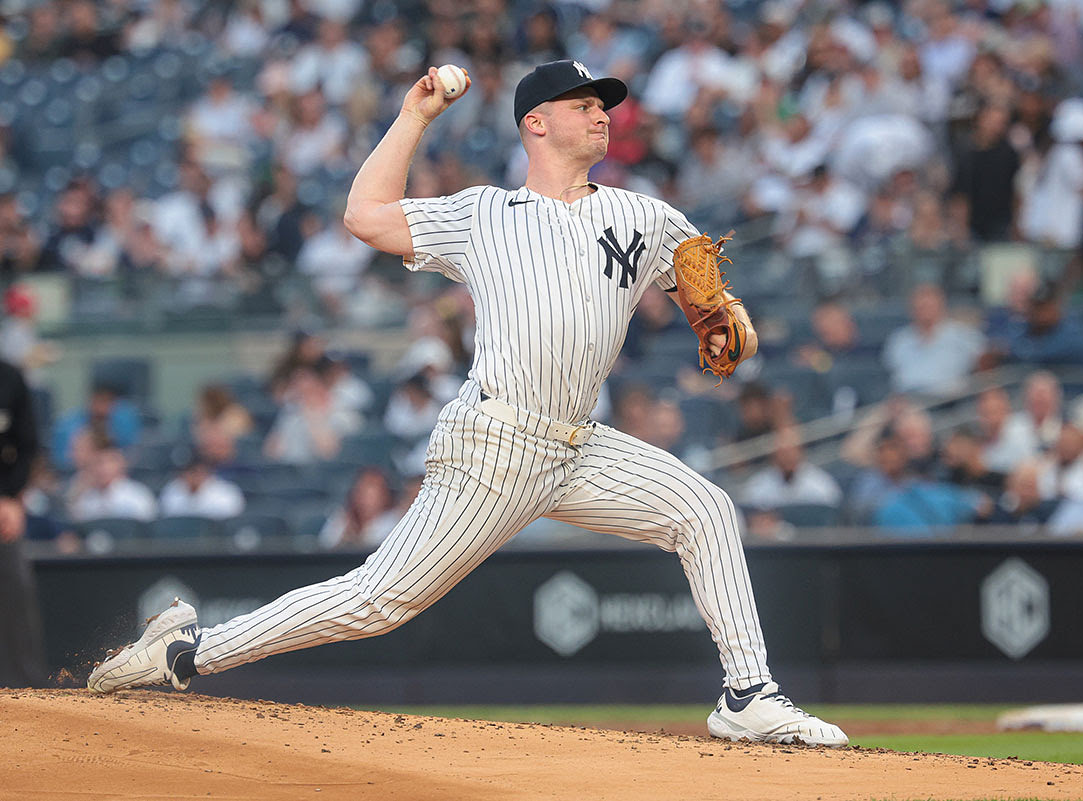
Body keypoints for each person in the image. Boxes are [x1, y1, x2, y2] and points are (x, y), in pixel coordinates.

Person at [87, 61, 848, 747]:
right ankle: (190, 649)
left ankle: (749, 694)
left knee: (705, 509)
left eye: (604, 104)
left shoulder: (644, 217)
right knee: (377, 601)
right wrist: (415, 116)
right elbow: (364, 215)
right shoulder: (485, 212)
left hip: (579, 446)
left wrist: (721, 315)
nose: (601, 113)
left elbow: (704, 293)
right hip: (495, 443)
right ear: (535, 122)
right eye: (582, 103)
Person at [0, 359, 46, 687]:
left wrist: (12, 498)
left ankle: (24, 690)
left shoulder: (9, 377)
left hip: (1, 507)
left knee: (14, 591)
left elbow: (28, 445)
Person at [318, 467, 404, 550]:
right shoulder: (343, 517)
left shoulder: (394, 520)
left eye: (373, 494)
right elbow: (325, 545)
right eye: (363, 491)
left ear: (385, 495)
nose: (366, 499)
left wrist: (354, 538)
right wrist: (345, 534)